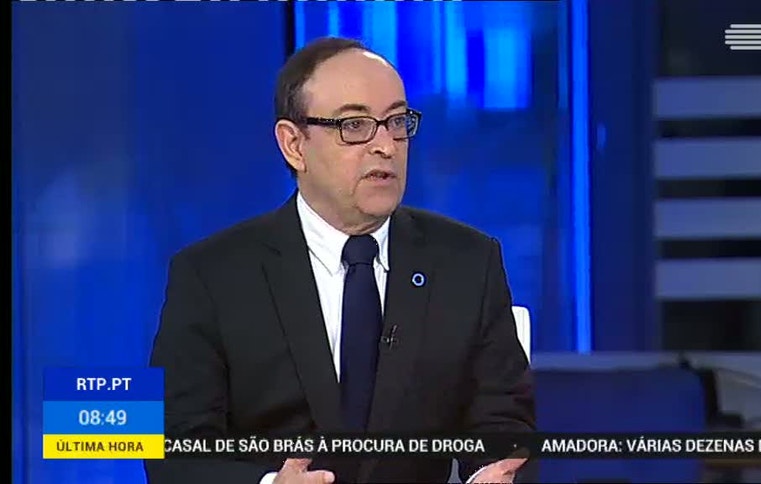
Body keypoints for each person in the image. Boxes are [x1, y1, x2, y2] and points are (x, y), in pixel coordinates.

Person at [144, 36, 535, 484]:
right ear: (294, 144)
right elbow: (172, 446)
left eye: (397, 122)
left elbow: (503, 422)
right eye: (355, 125)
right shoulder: (211, 276)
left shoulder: (467, 263)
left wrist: (493, 472)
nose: (386, 145)